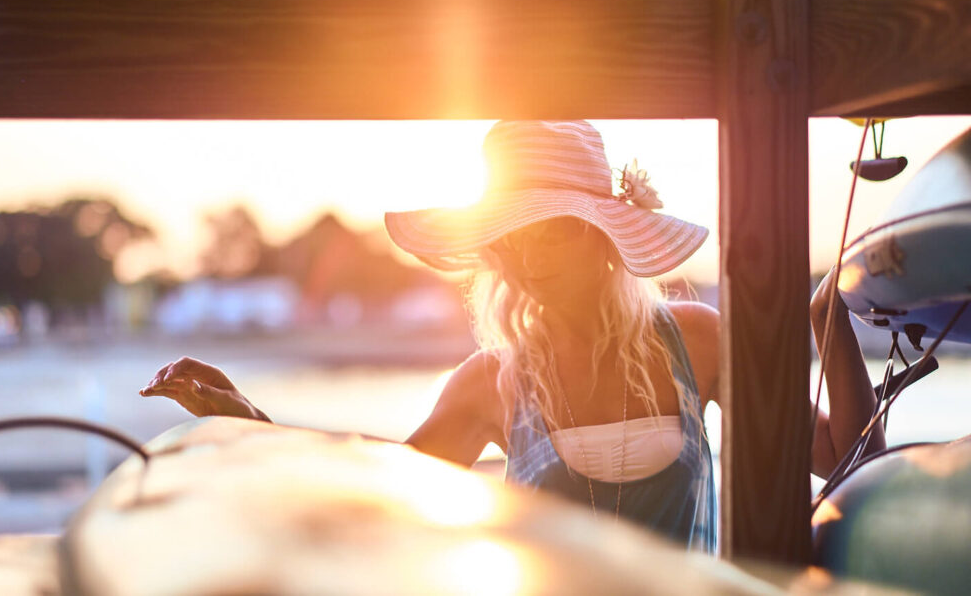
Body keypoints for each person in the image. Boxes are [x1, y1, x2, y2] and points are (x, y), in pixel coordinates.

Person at [140, 120, 883, 553]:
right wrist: (246, 416)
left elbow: (851, 464)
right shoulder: (491, 383)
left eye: (550, 230)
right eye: (511, 233)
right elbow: (368, 495)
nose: (526, 256)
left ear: (602, 233)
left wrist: (833, 316)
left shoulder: (699, 342)